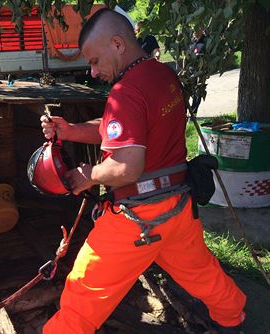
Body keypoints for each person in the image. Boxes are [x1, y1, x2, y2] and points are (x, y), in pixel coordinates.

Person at [40, 9, 245, 334]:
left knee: (83, 291)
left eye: (94, 60)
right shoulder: (162, 75)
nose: (92, 72)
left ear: (118, 44)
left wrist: (87, 175)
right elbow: (123, 131)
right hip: (177, 210)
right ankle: (233, 319)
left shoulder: (127, 91)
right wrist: (71, 130)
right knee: (204, 275)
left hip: (137, 221)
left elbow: (126, 166)